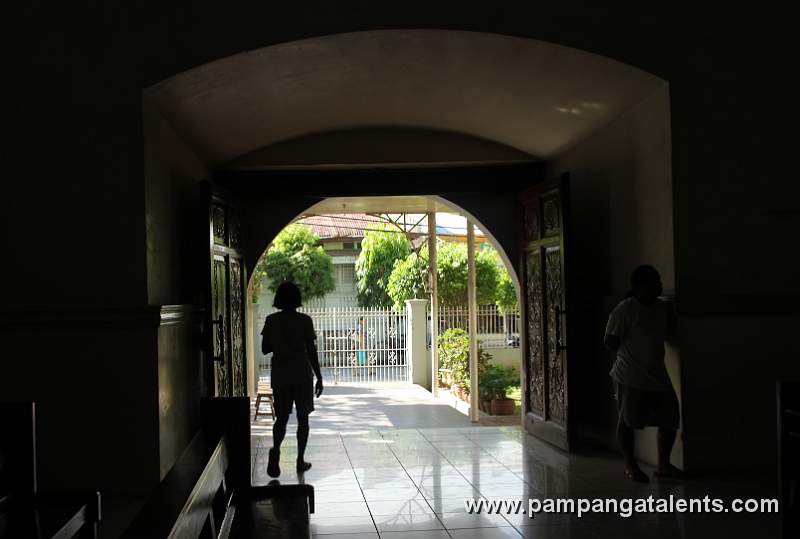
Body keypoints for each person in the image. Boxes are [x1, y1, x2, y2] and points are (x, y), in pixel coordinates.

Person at [604, 265, 684, 483]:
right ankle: (631, 465)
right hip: (630, 375)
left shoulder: (661, 308)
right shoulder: (625, 310)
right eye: (655, 280)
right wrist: (630, 354)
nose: (660, 284)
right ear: (641, 285)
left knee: (669, 418)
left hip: (657, 374)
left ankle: (663, 464)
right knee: (628, 420)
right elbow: (610, 340)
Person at [261, 281, 323, 477]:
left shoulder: (271, 320)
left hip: (280, 372)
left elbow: (264, 348)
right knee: (303, 417)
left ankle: (276, 450)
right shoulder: (304, 320)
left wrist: (280, 343)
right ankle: (299, 460)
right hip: (301, 373)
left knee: (282, 417)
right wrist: (319, 377)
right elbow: (311, 351)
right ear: (297, 299)